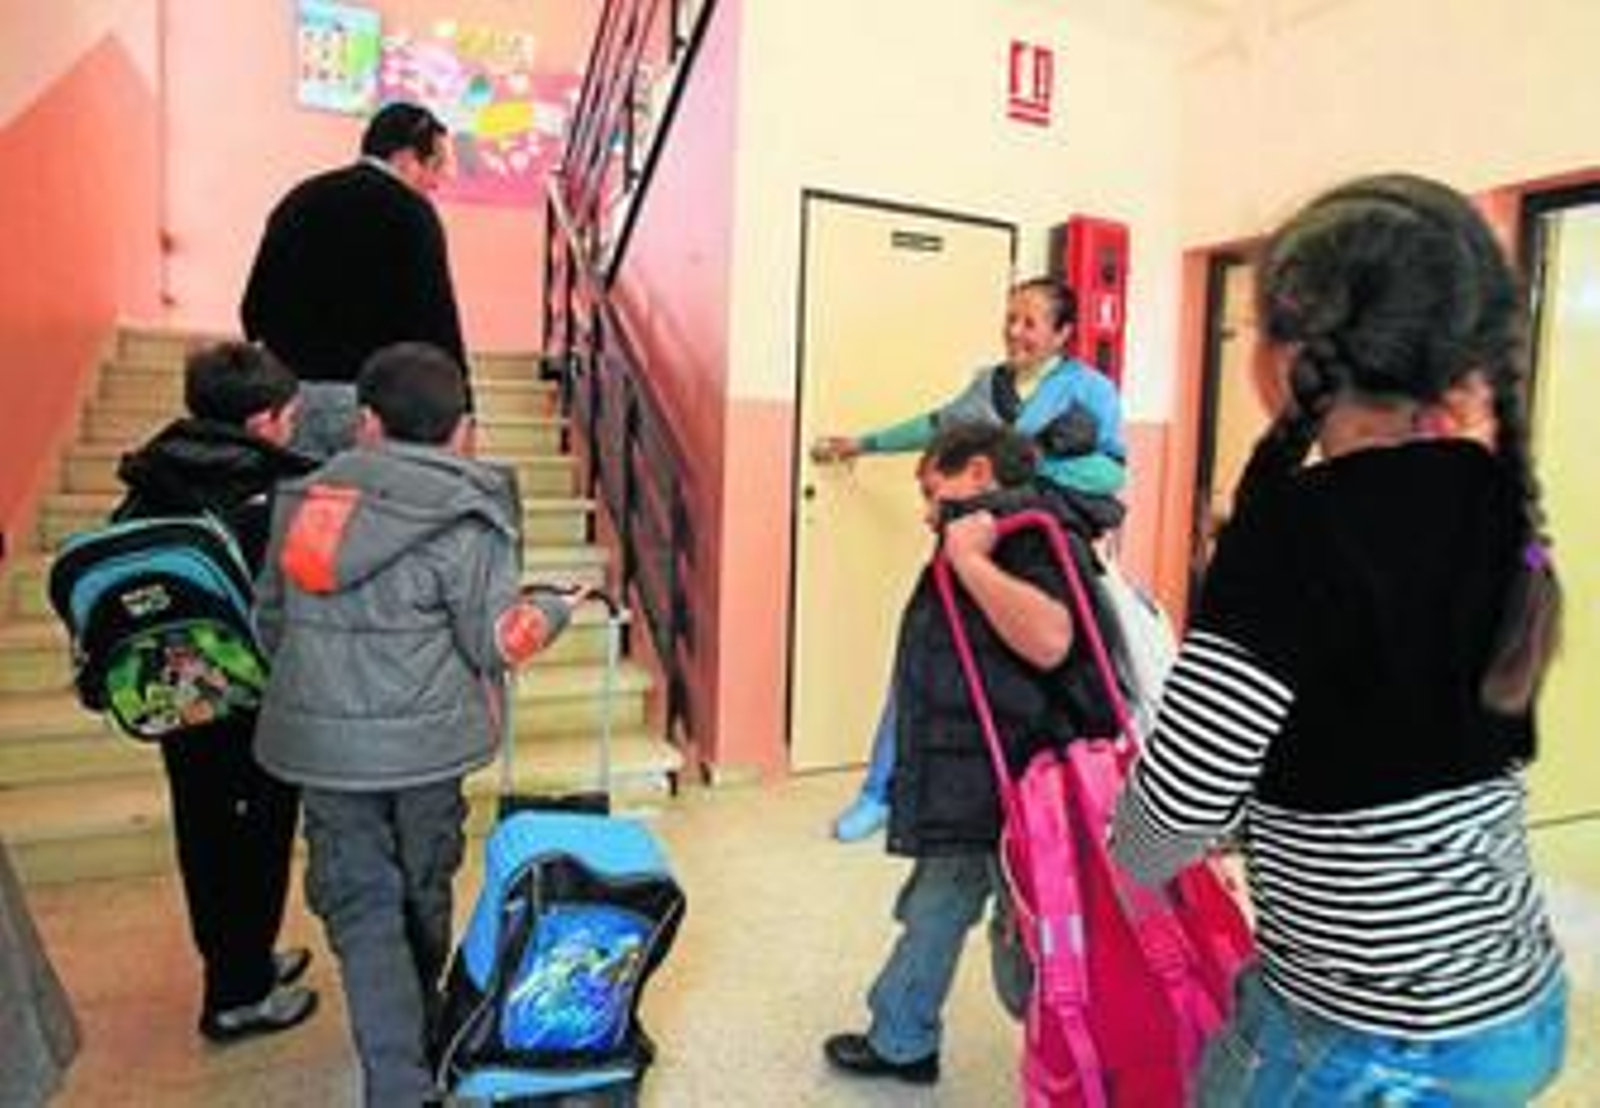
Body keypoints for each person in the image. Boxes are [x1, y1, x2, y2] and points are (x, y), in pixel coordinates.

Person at [1110, 174, 1568, 1104]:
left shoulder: (1288, 531)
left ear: (1288, 355)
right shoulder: (1488, 491)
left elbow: (1180, 805)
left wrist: (1128, 856)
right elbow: (1381, 724)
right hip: (1515, 1002)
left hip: (1363, 1032)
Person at [253, 342, 586, 1107]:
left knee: (360, 900)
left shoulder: (308, 502)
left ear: (367, 420)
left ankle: (398, 1065)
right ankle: (413, 1047)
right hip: (429, 746)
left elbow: (272, 621)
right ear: (462, 427)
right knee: (423, 885)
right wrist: (559, 605)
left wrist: (318, 693)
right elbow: (498, 641)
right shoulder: (469, 513)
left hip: (324, 747)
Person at [823, 422, 1116, 1087]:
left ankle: (1088, 1058)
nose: (927, 512)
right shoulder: (986, 534)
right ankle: (901, 1039)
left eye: (934, 490)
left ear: (980, 473)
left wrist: (973, 564)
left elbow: (1050, 640)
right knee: (936, 905)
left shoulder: (1029, 537)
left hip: (1024, 788)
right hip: (973, 777)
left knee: (1031, 951)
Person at [813, 276, 1128, 842]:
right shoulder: (989, 385)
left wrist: (1031, 463)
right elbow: (937, 426)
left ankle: (1050, 792)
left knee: (1042, 678)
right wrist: (862, 444)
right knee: (922, 660)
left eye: (1030, 321)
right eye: (1011, 318)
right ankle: (879, 790)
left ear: (1063, 332)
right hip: (969, 546)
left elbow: (1111, 472)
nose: (1015, 331)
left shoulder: (1091, 391)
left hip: (1038, 551)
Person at [113, 341, 320, 1042]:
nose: (293, 427)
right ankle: (240, 995)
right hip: (252, 695)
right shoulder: (266, 492)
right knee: (258, 837)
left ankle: (239, 960)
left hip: (173, 692)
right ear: (264, 421)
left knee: (204, 832)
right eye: (289, 415)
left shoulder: (153, 473)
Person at [241, 100, 467, 459]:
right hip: (377, 411)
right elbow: (436, 319)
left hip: (292, 404)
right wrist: (461, 407)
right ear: (407, 157)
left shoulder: (300, 198)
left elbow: (253, 309)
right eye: (435, 165)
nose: (436, 182)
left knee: (300, 508)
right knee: (368, 512)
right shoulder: (412, 215)